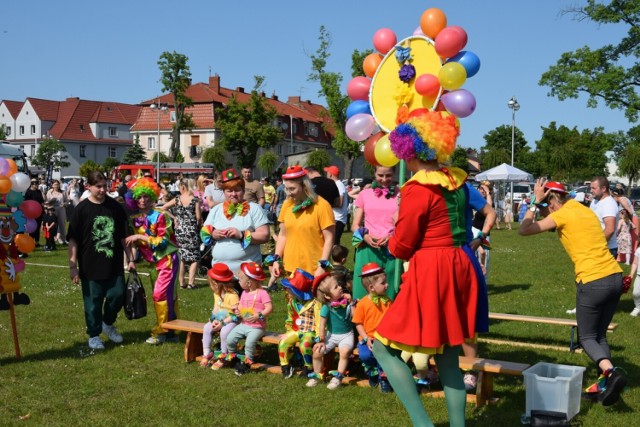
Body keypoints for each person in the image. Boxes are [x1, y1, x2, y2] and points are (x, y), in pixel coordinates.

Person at [372, 110, 488, 426]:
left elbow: (403, 246)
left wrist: (393, 236)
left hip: (432, 270)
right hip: (460, 264)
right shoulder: (458, 183)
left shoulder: (417, 188)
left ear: (410, 149)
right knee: (449, 356)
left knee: (383, 349)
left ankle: (422, 424)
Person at [519, 179, 626, 406]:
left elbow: (524, 229)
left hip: (593, 280)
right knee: (600, 335)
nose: (544, 212)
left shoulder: (562, 214)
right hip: (615, 277)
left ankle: (612, 373)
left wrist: (532, 203)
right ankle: (605, 387)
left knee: (586, 337)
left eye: (545, 206)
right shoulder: (584, 210)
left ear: (552, 201)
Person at [67, 171, 135, 350]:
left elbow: (123, 237)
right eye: (98, 186)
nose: (103, 190)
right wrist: (73, 265)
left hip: (113, 264)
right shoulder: (81, 210)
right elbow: (72, 239)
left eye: (105, 186)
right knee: (93, 303)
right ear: (88, 186)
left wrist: (131, 258)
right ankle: (94, 334)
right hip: (90, 265)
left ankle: (107, 323)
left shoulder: (115, 207)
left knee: (118, 295)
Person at [125, 177, 180, 345]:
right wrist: (131, 258)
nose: (142, 200)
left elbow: (162, 241)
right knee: (167, 296)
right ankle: (172, 330)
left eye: (146, 196)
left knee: (160, 295)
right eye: (139, 197)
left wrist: (140, 236)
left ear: (152, 196)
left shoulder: (161, 216)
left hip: (167, 259)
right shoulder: (135, 219)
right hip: (153, 263)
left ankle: (162, 330)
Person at [271, 166, 335, 282]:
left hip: (314, 270)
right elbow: (283, 235)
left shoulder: (322, 205)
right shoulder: (287, 205)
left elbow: (329, 239)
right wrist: (277, 259)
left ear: (304, 186)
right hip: (291, 269)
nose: (289, 193)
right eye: (286, 189)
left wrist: (322, 266)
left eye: (292, 189)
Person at [201, 168, 270, 274]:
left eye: (237, 190)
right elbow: (204, 231)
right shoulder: (216, 210)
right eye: (229, 191)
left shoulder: (254, 208)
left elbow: (265, 235)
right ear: (224, 192)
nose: (233, 194)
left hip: (247, 273)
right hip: (220, 271)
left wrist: (241, 235)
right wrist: (213, 233)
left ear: (243, 190)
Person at [351, 166, 400, 300]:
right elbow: (354, 225)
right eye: (380, 175)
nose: (384, 180)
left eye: (388, 175)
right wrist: (364, 236)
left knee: (389, 293)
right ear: (374, 173)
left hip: (391, 251)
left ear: (394, 174)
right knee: (363, 291)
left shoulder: (401, 194)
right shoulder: (364, 194)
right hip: (367, 249)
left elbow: (404, 224)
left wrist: (391, 237)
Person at [307, 272, 355, 389]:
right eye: (336, 287)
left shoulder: (347, 302)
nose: (340, 288)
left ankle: (337, 378)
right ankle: (317, 375)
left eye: (339, 285)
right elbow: (322, 325)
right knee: (317, 351)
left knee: (344, 353)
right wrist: (321, 340)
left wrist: (352, 303)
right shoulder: (326, 307)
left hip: (347, 335)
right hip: (332, 335)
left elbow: (355, 317)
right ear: (328, 296)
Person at [225, 261, 272, 375]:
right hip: (244, 324)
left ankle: (247, 362)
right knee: (230, 338)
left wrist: (259, 315)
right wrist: (237, 310)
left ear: (249, 283)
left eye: (240, 280)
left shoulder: (262, 293)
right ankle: (234, 357)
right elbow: (241, 306)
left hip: (257, 327)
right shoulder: (245, 293)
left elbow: (269, 308)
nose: (239, 282)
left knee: (249, 343)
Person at [353, 262, 393, 393]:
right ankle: (372, 371)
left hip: (383, 338)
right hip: (367, 338)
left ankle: (385, 380)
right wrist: (366, 338)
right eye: (383, 283)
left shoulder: (387, 301)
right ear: (371, 287)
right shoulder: (363, 304)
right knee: (365, 355)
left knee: (383, 357)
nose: (387, 285)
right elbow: (358, 323)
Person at [278, 268, 320, 379]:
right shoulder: (292, 302)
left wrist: (319, 335)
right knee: (283, 342)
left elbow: (319, 321)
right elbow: (290, 319)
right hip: (296, 330)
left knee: (304, 345)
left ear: (297, 291)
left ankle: (308, 367)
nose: (286, 290)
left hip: (310, 332)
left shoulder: (314, 304)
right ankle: (285, 366)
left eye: (289, 288)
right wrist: (288, 332)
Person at [160, 178, 202, 290]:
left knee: (182, 257)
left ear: (183, 186)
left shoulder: (177, 199)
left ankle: (181, 282)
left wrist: (174, 218)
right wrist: (200, 226)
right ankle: (191, 283)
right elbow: (198, 217)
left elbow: (163, 208)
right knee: (195, 257)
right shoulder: (195, 200)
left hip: (179, 230)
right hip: (192, 230)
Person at [200, 263, 239, 368]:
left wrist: (222, 323)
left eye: (211, 284)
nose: (210, 286)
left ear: (217, 284)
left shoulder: (233, 295)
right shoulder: (217, 294)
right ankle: (207, 352)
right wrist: (213, 319)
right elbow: (216, 309)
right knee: (207, 328)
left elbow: (236, 316)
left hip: (231, 321)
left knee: (224, 332)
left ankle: (224, 357)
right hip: (220, 320)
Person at [590, 176, 619, 258]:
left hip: (606, 249)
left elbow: (609, 230)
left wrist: (597, 245)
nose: (591, 191)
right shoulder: (595, 201)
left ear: (603, 189)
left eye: (593, 188)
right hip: (595, 247)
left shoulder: (608, 204)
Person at [612, 186, 638, 263]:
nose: (612, 198)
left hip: (631, 219)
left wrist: (627, 221)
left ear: (616, 195)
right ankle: (623, 258)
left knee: (631, 240)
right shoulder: (622, 199)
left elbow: (629, 211)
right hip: (630, 219)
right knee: (627, 240)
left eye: (613, 196)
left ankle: (629, 258)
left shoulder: (621, 199)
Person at [324, 165, 349, 245]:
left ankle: (339, 257)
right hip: (337, 218)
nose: (326, 175)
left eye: (327, 173)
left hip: (338, 219)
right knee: (332, 242)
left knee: (334, 243)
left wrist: (327, 204)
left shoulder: (338, 185)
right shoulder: (338, 184)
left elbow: (340, 203)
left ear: (331, 174)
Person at [46, 179, 69, 245]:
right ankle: (52, 238)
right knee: (53, 224)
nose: (57, 186)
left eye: (58, 184)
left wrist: (64, 204)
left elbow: (67, 201)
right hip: (52, 210)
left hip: (61, 209)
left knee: (62, 224)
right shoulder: (49, 192)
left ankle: (63, 238)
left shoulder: (63, 192)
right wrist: (49, 203)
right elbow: (47, 201)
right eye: (55, 184)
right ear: (52, 185)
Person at [24, 178, 44, 246]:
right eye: (34, 184)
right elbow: (26, 201)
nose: (36, 185)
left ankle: (37, 242)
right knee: (32, 226)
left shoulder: (39, 191)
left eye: (36, 184)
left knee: (38, 226)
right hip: (31, 212)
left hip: (39, 211)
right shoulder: (28, 192)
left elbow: (41, 200)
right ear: (31, 185)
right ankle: (31, 241)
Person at [627, 246, 640, 317]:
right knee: (635, 293)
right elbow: (635, 263)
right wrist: (631, 274)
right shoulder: (639, 250)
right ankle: (638, 307)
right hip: (639, 275)